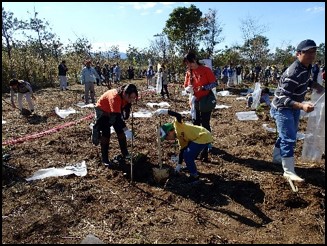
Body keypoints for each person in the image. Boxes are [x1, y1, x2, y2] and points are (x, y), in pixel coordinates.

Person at [270, 39, 325, 182]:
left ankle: (277, 158)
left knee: (288, 134)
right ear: (298, 53)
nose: (311, 55)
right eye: (307, 52)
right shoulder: (292, 72)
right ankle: (288, 171)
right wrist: (302, 106)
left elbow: (306, 81)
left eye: (313, 52)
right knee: (289, 137)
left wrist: (316, 86)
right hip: (283, 108)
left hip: (293, 106)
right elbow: (282, 97)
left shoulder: (307, 67)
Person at [153, 109, 213, 182]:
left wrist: (165, 111)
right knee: (186, 153)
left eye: (166, 137)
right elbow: (182, 150)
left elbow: (178, 115)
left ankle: (194, 175)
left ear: (170, 131)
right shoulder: (179, 139)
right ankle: (190, 167)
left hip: (202, 135)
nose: (167, 139)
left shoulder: (177, 125)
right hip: (198, 138)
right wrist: (178, 166)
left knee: (188, 155)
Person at [91, 84, 138, 167]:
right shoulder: (115, 97)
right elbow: (117, 118)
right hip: (103, 110)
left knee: (120, 130)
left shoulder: (125, 97)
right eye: (130, 98)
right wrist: (126, 130)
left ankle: (125, 153)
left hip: (113, 111)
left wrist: (124, 129)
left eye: (133, 98)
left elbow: (120, 117)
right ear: (125, 94)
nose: (131, 100)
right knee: (106, 132)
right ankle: (105, 159)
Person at [183, 52, 217, 162]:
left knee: (205, 123)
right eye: (187, 64)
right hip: (194, 101)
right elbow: (185, 86)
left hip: (205, 100)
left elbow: (214, 83)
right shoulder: (189, 72)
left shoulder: (206, 70)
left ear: (195, 60)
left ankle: (206, 148)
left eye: (190, 63)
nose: (189, 66)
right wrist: (188, 89)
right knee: (195, 124)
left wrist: (203, 87)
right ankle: (197, 147)